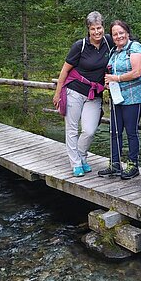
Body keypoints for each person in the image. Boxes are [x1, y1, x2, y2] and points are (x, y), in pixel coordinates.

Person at [53, 11, 113, 177]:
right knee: (72, 129)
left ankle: (81, 155)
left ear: (103, 27)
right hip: (75, 91)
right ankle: (76, 163)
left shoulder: (108, 42)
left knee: (89, 130)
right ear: (88, 29)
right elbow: (65, 70)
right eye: (93, 29)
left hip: (95, 94)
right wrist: (58, 93)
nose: (96, 32)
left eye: (99, 28)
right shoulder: (80, 46)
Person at [98, 20, 141, 180]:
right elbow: (111, 71)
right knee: (114, 130)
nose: (118, 36)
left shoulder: (135, 48)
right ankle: (115, 164)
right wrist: (109, 82)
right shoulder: (114, 51)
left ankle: (133, 165)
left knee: (131, 132)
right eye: (115, 34)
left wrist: (116, 78)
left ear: (127, 33)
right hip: (117, 97)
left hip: (134, 97)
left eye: (121, 32)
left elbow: (137, 72)